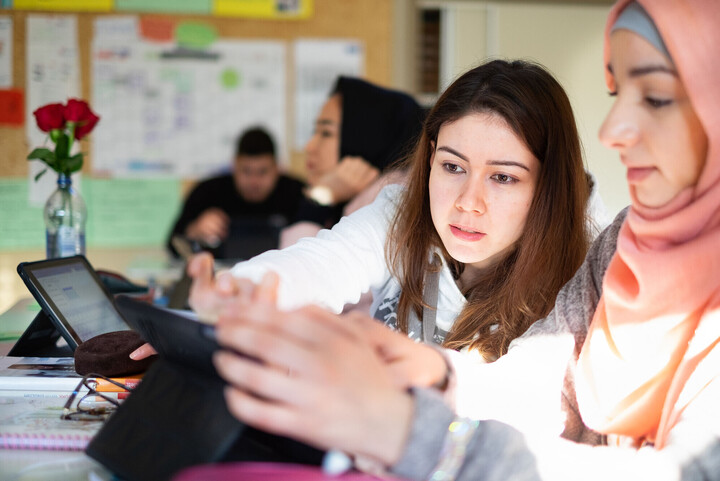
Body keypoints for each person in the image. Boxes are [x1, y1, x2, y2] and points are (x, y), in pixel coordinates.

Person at [211, 0, 720, 479]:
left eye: (654, 97)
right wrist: (436, 375)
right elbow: (543, 386)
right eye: (452, 166)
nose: (612, 130)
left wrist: (413, 428)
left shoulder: (587, 245)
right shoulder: (627, 242)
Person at [183, 59, 592, 364]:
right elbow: (321, 263)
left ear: (549, 185)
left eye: (502, 177)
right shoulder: (401, 211)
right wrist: (236, 294)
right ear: (431, 159)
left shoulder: (583, 281)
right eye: (452, 167)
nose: (468, 201)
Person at [291, 76, 426, 232]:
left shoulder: (387, 217)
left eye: (326, 133)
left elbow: (296, 256)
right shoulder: (358, 203)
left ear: (366, 139)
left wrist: (318, 200)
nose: (309, 146)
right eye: (315, 132)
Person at [166, 127, 305, 259]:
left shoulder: (298, 194)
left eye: (263, 172)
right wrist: (194, 231)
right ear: (234, 165)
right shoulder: (208, 192)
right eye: (246, 171)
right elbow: (172, 245)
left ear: (277, 168)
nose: (254, 181)